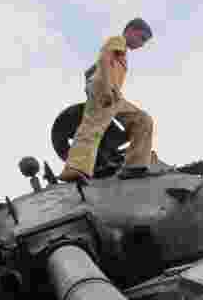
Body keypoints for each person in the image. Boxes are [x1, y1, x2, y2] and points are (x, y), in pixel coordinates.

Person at [59, 18, 154, 182]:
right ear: (130, 30)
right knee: (93, 126)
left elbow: (90, 71)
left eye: (145, 41)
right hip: (105, 90)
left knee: (143, 120)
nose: (142, 44)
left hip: (115, 95)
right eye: (141, 38)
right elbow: (104, 58)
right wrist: (104, 87)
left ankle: (134, 166)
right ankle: (74, 168)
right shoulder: (118, 41)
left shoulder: (123, 52)